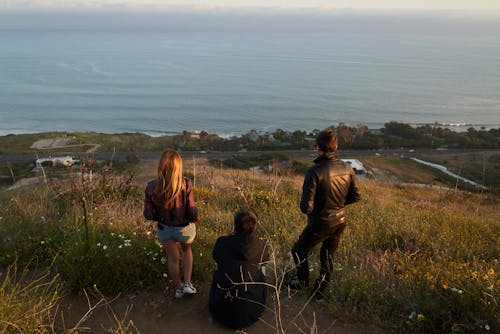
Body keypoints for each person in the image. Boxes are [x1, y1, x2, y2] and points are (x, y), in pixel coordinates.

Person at [290, 128, 361, 298]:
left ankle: (303, 282)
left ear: (318, 148)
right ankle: (320, 289)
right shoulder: (348, 168)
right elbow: (356, 196)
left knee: (298, 250)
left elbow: (306, 208)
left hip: (321, 222)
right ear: (335, 147)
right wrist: (336, 206)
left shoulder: (314, 171)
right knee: (328, 255)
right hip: (339, 220)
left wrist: (322, 209)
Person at [144, 149, 200, 299]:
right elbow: (192, 211)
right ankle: (188, 284)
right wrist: (196, 219)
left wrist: (159, 217)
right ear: (178, 167)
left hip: (165, 228)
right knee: (187, 251)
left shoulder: (151, 187)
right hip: (184, 228)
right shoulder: (186, 183)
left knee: (173, 258)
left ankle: (178, 288)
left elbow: (148, 214)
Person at [209, 210, 269, 330]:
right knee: (261, 270)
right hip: (252, 311)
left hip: (220, 310)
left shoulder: (222, 242)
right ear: (254, 227)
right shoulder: (261, 245)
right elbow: (264, 263)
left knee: (219, 269)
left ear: (235, 226)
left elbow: (216, 258)